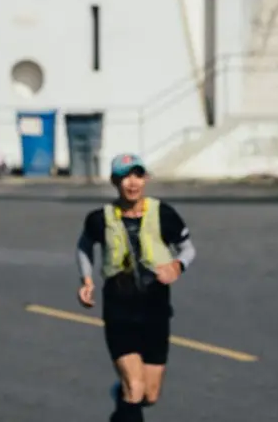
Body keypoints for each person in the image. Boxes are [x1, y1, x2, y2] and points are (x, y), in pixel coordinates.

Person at [76, 153, 196, 422]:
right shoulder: (99, 219)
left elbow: (188, 249)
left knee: (149, 395)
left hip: (155, 311)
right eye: (124, 177)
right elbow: (84, 246)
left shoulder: (164, 214)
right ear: (114, 181)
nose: (132, 183)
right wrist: (86, 280)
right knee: (135, 387)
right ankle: (128, 396)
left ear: (146, 179)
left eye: (138, 176)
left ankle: (123, 402)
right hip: (119, 310)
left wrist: (177, 266)